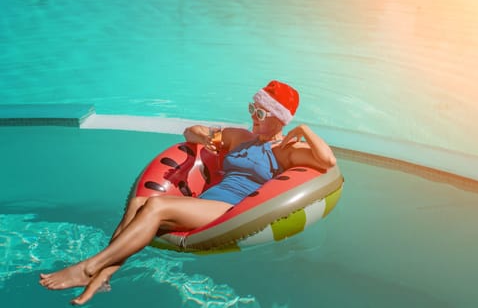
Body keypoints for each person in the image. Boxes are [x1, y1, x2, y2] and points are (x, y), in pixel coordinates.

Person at [39, 80, 336, 305]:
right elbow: (190, 133)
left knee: (155, 207)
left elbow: (327, 161)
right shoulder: (239, 137)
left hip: (228, 210)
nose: (253, 116)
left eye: (260, 112)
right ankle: (102, 277)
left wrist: (305, 130)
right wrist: (205, 135)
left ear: (279, 118)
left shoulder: (286, 152)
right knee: (140, 202)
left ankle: (90, 266)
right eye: (252, 108)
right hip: (205, 202)